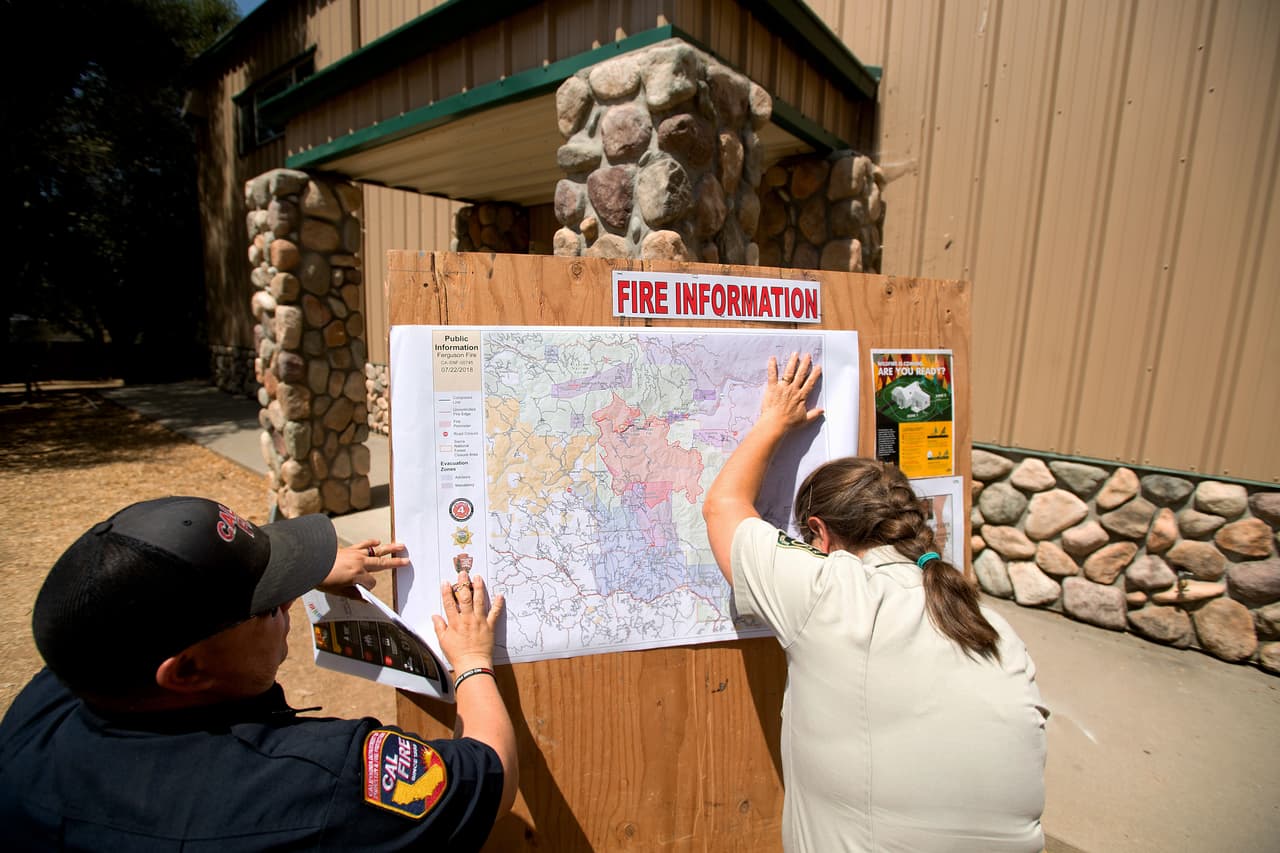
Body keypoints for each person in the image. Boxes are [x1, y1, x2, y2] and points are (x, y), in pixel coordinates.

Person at [0, 496, 517, 851]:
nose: (290, 600)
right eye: (267, 604)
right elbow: (491, 775)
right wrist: (471, 661)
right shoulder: (316, 782)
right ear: (187, 670)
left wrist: (302, 566)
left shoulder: (58, 703)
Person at [703, 354, 1047, 853]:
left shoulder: (829, 595)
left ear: (818, 533)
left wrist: (774, 420)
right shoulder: (991, 628)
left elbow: (723, 507)